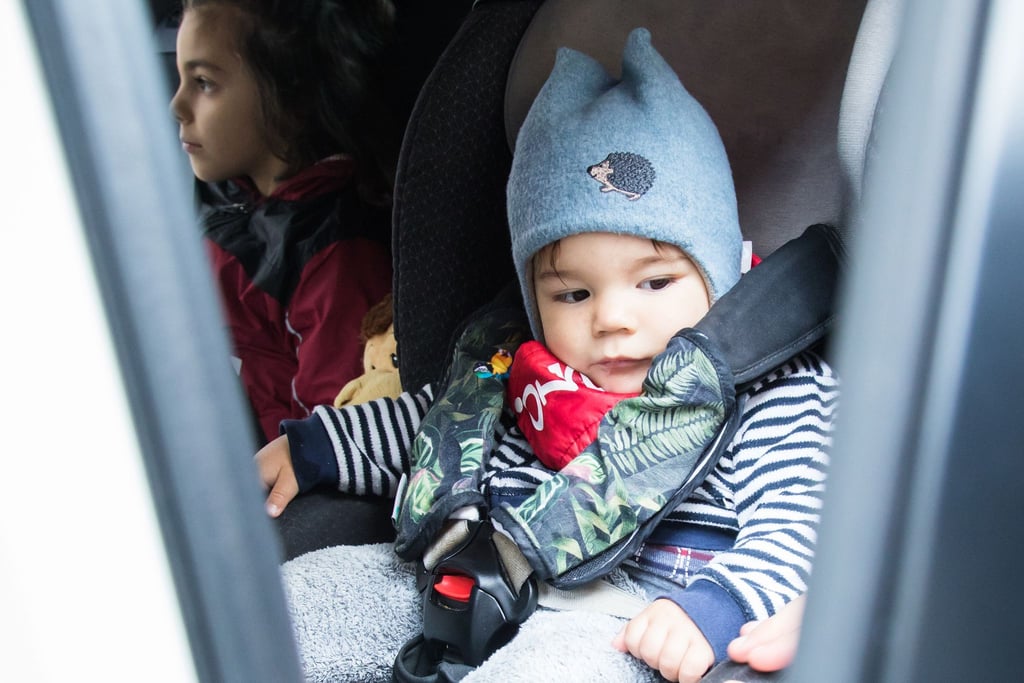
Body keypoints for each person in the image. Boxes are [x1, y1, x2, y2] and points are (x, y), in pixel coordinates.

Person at [257, 28, 837, 682]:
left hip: (629, 620)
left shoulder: (768, 388)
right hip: (480, 577)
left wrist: (718, 607)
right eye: (573, 292)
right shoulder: (519, 371)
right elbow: (428, 426)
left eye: (654, 282)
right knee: (291, 607)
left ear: (718, 274)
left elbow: (803, 530)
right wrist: (315, 448)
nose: (612, 318)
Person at [170, 0, 396, 443]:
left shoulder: (335, 258)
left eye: (203, 83)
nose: (178, 105)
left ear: (292, 102)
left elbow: (334, 433)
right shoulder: (230, 194)